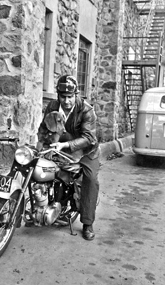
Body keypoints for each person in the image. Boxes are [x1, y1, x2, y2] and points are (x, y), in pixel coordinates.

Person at [37, 74, 100, 241]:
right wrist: (40, 147)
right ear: (58, 95)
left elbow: (89, 138)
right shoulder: (52, 106)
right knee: (41, 166)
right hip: (60, 145)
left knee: (90, 179)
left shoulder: (86, 110)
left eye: (70, 97)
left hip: (87, 150)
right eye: (63, 97)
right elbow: (44, 129)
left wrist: (65, 145)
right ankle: (47, 205)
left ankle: (87, 223)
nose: (66, 101)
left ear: (76, 95)